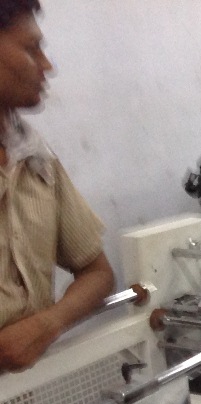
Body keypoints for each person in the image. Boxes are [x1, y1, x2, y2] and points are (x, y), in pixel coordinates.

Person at [0, 0, 113, 374]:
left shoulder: (35, 158)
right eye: (31, 49)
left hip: (23, 397)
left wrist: (48, 324)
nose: (47, 66)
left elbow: (97, 273)